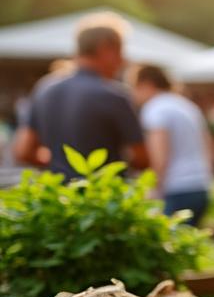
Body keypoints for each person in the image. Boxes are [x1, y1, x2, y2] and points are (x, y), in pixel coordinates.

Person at [16, 15, 147, 177]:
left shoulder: (45, 88)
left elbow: (23, 151)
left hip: (59, 196)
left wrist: (61, 164)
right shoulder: (114, 95)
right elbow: (142, 159)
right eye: (120, 52)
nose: (122, 61)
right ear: (106, 49)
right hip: (103, 196)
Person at [129, 64, 214, 225]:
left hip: (176, 188)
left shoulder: (156, 109)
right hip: (201, 185)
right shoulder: (187, 105)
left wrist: (152, 188)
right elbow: (207, 145)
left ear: (147, 84)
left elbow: (160, 157)